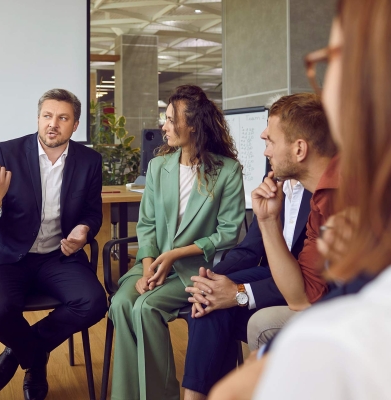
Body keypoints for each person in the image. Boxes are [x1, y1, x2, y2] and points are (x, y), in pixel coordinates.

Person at [210, 0, 391, 398]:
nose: (328, 85)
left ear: (300, 149)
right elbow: (303, 296)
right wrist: (269, 222)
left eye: (334, 59)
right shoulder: (321, 193)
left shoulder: (351, 192)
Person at [182, 93, 336, 399]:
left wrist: (236, 294)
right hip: (292, 280)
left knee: (233, 306)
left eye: (270, 141)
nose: (263, 149)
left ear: (299, 148)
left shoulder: (330, 194)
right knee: (210, 303)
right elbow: (250, 249)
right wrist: (210, 281)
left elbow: (306, 291)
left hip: (319, 293)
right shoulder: (281, 184)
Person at [107, 84, 245, 400]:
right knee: (121, 303)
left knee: (145, 308)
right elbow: (147, 226)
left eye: (171, 119)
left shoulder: (227, 171)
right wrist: (145, 269)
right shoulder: (158, 167)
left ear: (193, 125)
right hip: (153, 265)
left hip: (194, 270)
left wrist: (174, 255)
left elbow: (228, 232)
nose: (164, 126)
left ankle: (160, 395)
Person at [0, 88, 107, 400]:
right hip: (6, 256)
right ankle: (35, 359)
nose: (53, 124)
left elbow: (92, 212)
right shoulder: (7, 153)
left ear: (75, 125)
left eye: (62, 118)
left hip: (56, 257)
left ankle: (20, 349)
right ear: (38, 119)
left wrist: (84, 230)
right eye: (47, 116)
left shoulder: (89, 161)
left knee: (94, 302)